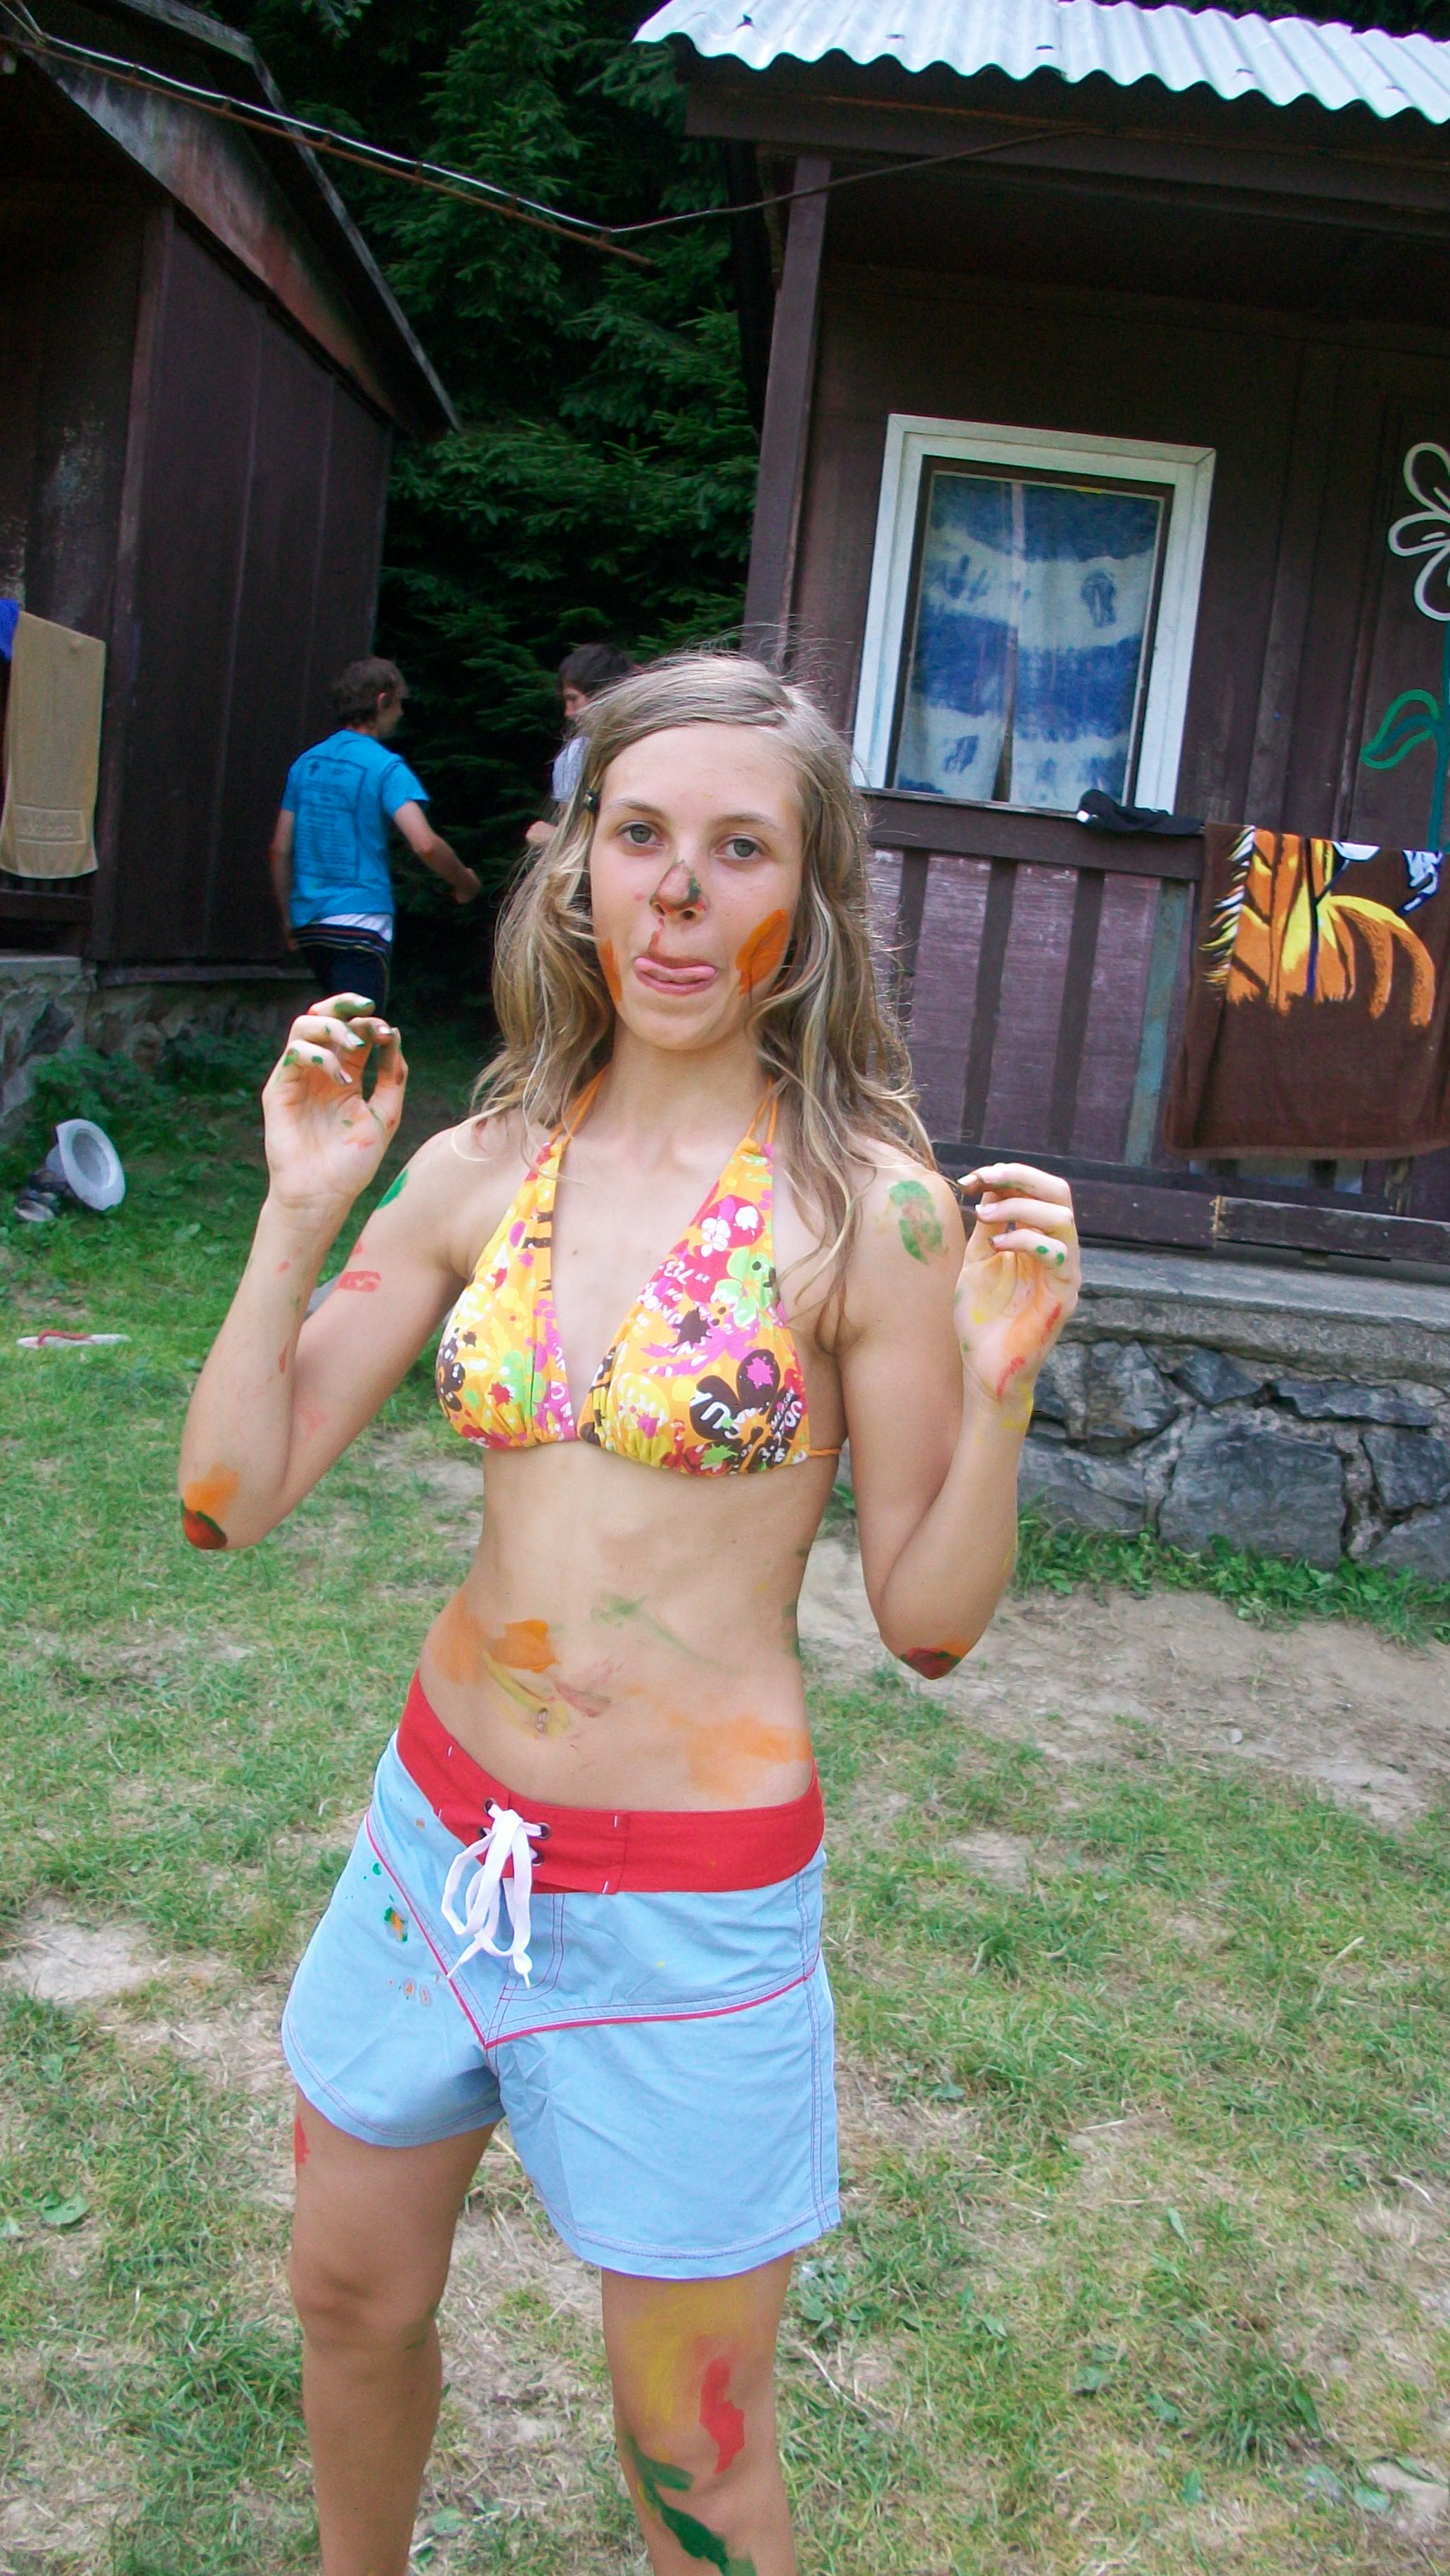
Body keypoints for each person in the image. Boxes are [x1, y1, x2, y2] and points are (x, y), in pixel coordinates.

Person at [180, 652, 1079, 2576]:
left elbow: (926, 1624)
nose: (675, 892)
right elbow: (227, 1499)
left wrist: (997, 1395)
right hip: (431, 1858)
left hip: (683, 1911)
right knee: (345, 2298)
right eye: (640, 834)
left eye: (737, 848)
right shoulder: (482, 1163)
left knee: (693, 2448)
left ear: (809, 896)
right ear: (574, 863)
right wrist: (298, 1209)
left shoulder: (870, 1212)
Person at [269, 657, 480, 1014]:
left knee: (335, 1031)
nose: (401, 713)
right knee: (358, 1036)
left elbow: (278, 850)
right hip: (361, 925)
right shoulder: (385, 767)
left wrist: (289, 917)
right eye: (399, 703)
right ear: (382, 701)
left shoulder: (306, 764)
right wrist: (465, 881)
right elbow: (425, 844)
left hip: (310, 926)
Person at [525, 640, 636, 850]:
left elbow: (574, 840)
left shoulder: (578, 753)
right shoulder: (653, 742)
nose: (568, 713)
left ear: (602, 693)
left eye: (573, 699)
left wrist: (552, 838)